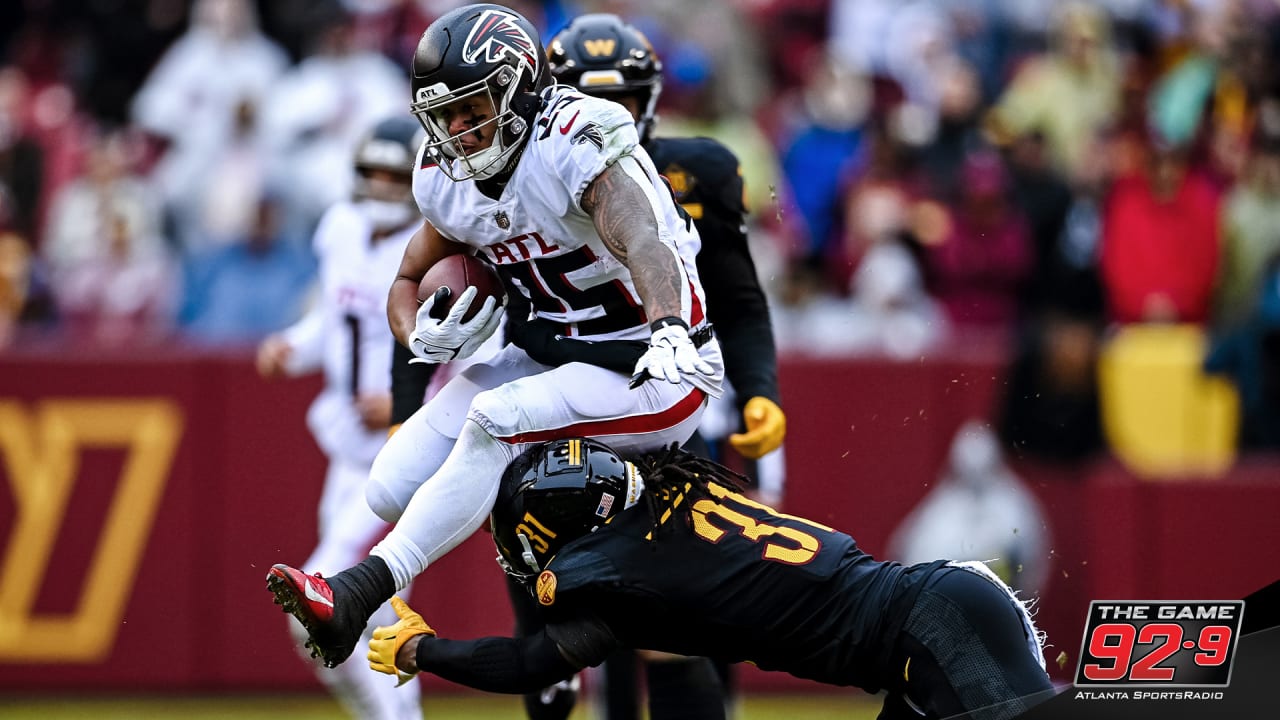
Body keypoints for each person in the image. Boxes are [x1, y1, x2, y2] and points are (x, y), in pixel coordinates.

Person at [266, 3, 724, 675]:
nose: (455, 129)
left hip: (648, 361)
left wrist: (667, 325)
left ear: (516, 87)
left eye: (469, 107)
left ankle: (356, 593)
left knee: (497, 419)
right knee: (389, 487)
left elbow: (640, 235)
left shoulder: (570, 138)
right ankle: (576, 517)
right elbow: (406, 278)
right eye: (442, 114)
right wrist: (419, 331)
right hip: (548, 354)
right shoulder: (446, 178)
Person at [365, 438, 1056, 720]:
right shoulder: (672, 486)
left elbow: (527, 663)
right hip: (931, 618)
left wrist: (423, 650)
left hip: (932, 628)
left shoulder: (619, 575)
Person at [256, 116, 425, 720]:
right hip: (347, 455)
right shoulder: (341, 229)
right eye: (371, 174)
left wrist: (408, 404)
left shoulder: (442, 245)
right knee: (359, 624)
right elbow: (332, 322)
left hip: (401, 456)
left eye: (392, 175)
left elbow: (472, 364)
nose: (380, 187)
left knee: (326, 602)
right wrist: (293, 348)